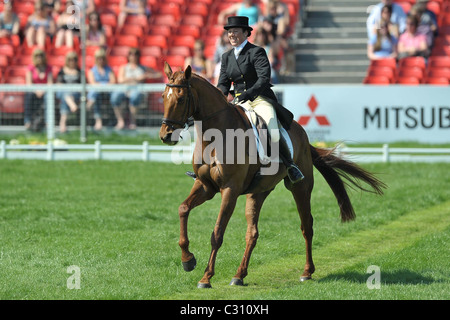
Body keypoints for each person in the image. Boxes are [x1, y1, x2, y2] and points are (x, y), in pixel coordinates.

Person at [217, 16, 304, 183]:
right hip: (238, 101)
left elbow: (264, 78)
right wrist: (219, 98)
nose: (231, 35)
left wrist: (248, 94)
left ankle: (290, 165)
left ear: (245, 33)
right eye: (229, 32)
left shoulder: (256, 52)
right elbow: (223, 83)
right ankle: (207, 167)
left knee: (271, 127)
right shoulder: (226, 57)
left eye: (235, 31)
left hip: (259, 99)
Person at [110, 47, 162, 130]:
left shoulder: (143, 68)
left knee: (135, 96)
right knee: (115, 97)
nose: (133, 56)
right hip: (125, 89)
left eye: (135, 54)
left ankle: (132, 120)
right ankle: (120, 121)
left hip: (137, 89)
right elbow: (120, 80)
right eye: (131, 54)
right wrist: (136, 78)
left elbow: (159, 74)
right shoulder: (124, 67)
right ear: (128, 56)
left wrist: (147, 75)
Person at [87, 48, 116, 131]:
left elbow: (113, 81)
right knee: (96, 96)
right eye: (99, 58)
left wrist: (101, 85)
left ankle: (89, 104)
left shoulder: (108, 69)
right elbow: (92, 83)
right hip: (98, 93)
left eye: (102, 58)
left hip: (108, 92)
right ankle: (98, 120)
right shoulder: (92, 70)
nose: (101, 60)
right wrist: (104, 85)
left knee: (116, 96)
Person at [24, 49, 53, 131]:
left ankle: (48, 122)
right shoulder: (30, 68)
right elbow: (29, 83)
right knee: (29, 96)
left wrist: (43, 91)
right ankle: (27, 120)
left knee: (48, 97)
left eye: (41, 56)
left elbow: (50, 83)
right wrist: (37, 91)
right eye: (37, 56)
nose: (39, 58)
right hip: (34, 91)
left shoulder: (48, 68)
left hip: (45, 91)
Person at [56, 51, 83, 133]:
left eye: (74, 60)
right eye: (70, 60)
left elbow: (82, 85)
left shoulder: (80, 72)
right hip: (62, 92)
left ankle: (63, 122)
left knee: (66, 98)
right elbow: (59, 85)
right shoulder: (62, 71)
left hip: (75, 93)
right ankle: (73, 106)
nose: (72, 62)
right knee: (66, 94)